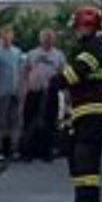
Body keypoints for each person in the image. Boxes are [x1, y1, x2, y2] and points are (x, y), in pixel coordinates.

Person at [59, 6, 102, 202]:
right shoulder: (92, 45)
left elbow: (79, 71)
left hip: (94, 110)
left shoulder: (95, 46)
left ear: (86, 27)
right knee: (77, 154)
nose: (75, 31)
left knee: (86, 157)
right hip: (85, 110)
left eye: (77, 27)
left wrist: (58, 80)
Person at [20, 28, 66, 162]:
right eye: (45, 38)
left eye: (50, 38)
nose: (47, 40)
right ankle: (28, 152)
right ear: (40, 39)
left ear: (53, 40)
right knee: (29, 122)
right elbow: (24, 72)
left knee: (50, 123)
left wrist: (65, 93)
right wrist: (23, 89)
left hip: (51, 93)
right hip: (34, 92)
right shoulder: (32, 54)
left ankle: (46, 152)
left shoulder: (59, 55)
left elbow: (63, 73)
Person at [0, 25, 24, 159]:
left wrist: (21, 89)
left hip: (15, 92)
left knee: (15, 122)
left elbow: (21, 71)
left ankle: (14, 149)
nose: (7, 37)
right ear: (1, 37)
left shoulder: (17, 52)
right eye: (5, 35)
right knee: (0, 122)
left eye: (10, 34)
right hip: (1, 93)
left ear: (12, 36)